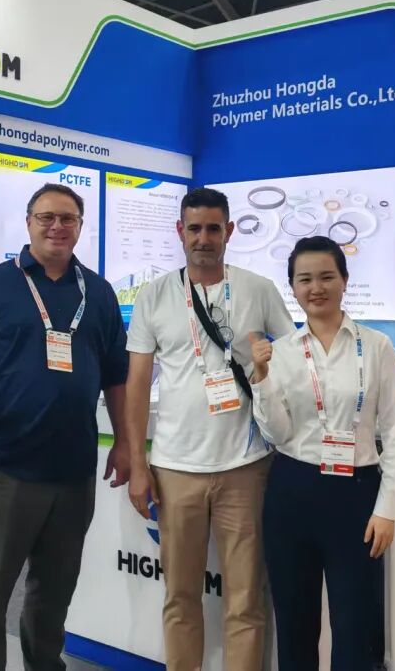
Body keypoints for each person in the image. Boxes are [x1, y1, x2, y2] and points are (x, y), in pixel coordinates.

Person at [0, 184, 130, 671]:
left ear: (80, 226)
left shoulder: (98, 292)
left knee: (53, 595)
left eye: (67, 218)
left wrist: (125, 442)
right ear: (28, 222)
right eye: (46, 217)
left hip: (74, 470)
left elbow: (116, 375)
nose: (57, 227)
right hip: (5, 466)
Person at [125, 187, 295, 671]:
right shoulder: (155, 295)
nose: (204, 238)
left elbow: (292, 357)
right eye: (195, 228)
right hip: (175, 469)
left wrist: (268, 369)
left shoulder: (258, 289)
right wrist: (138, 464)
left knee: (245, 598)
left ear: (229, 232)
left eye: (213, 228)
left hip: (246, 467)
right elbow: (137, 383)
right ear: (180, 231)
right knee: (180, 596)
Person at [250, 236, 395, 671]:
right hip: (292, 490)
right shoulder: (283, 351)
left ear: (344, 280)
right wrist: (261, 378)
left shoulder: (375, 347)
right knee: (294, 622)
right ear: (292, 287)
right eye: (304, 279)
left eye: (326, 277)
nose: (316, 288)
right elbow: (278, 434)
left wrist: (387, 509)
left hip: (356, 494)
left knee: (356, 624)